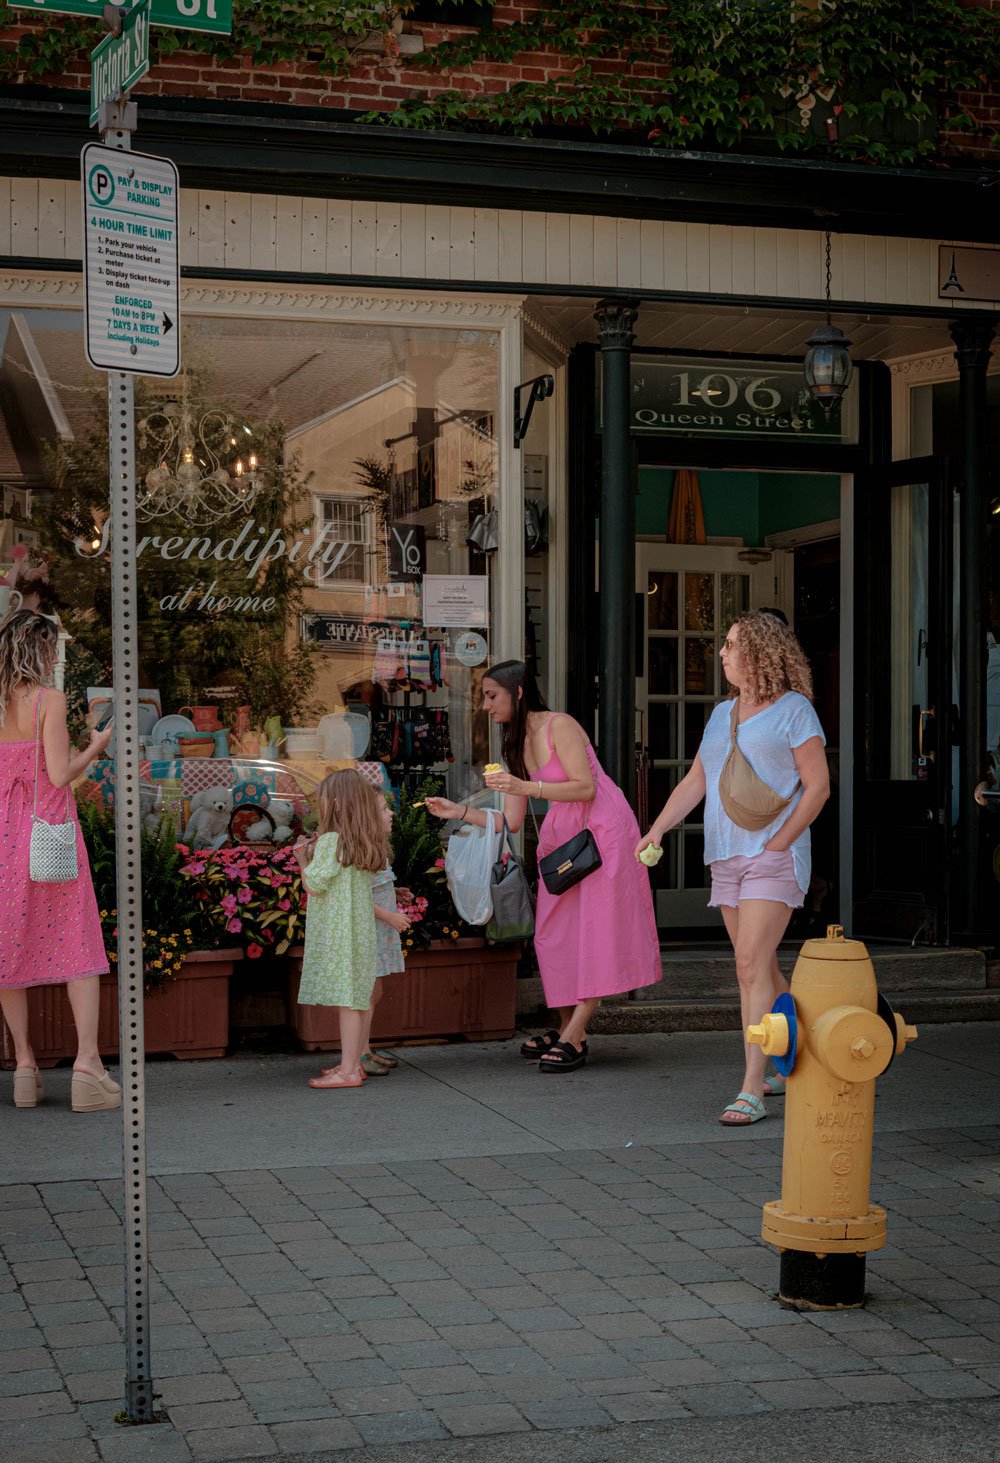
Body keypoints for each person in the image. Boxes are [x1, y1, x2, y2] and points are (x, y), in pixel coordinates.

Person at [638, 610, 829, 1126]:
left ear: (759, 654)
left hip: (774, 857)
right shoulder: (721, 715)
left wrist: (780, 843)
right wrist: (657, 828)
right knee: (760, 968)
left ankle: (752, 1088)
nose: (721, 653)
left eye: (730, 645)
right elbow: (697, 780)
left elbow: (818, 788)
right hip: (725, 856)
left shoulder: (794, 711)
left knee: (748, 965)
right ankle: (803, 1054)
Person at [426, 660, 661, 1072]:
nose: (485, 705)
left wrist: (526, 786)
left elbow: (585, 785)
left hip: (602, 828)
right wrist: (459, 811)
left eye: (491, 695)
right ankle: (570, 1028)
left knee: (596, 931)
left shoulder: (560, 725)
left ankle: (575, 1032)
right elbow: (511, 822)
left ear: (518, 692)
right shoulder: (512, 746)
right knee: (554, 934)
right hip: (562, 833)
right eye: (483, 696)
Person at [0, 610, 117, 1112]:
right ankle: (87, 1066)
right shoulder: (48, 700)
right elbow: (58, 773)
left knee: (8, 951)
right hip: (45, 839)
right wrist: (96, 746)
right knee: (78, 941)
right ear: (41, 651)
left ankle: (25, 1066)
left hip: (3, 839)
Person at [294, 769, 384, 1090]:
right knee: (357, 1001)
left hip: (338, 935)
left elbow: (315, 886)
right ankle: (353, 1065)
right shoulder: (361, 842)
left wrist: (303, 860)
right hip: (358, 935)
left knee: (347, 1003)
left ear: (332, 804)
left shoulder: (331, 841)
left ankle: (347, 1071)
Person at [358, 796, 413, 1077]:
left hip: (379, 933)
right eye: (383, 809)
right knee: (369, 992)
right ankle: (359, 1054)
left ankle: (364, 1048)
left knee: (374, 992)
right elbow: (356, 897)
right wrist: (390, 916)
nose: (391, 813)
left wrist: (395, 892)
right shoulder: (363, 852)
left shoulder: (376, 849)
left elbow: (375, 889)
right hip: (370, 933)